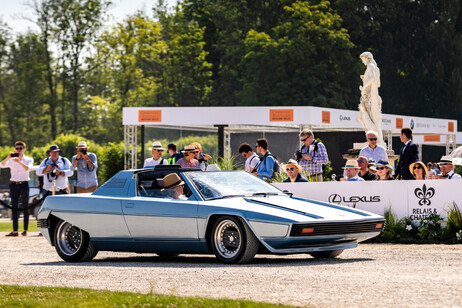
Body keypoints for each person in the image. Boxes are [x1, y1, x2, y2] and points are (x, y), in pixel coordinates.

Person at [1, 141, 34, 237]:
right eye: (17, 148)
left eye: (20, 148)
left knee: (25, 207)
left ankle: (25, 230)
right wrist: (8, 157)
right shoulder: (11, 160)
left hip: (24, 184)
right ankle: (15, 230)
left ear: (24, 149)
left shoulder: (28, 159)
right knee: (14, 207)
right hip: (14, 185)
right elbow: (2, 165)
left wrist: (19, 161)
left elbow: (28, 168)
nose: (18, 150)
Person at [358, 51, 384, 144]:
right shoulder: (376, 68)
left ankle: (372, 135)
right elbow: (378, 83)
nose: (363, 62)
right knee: (371, 117)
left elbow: (373, 79)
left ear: (367, 58)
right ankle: (374, 136)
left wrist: (364, 87)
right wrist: (365, 78)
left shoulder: (370, 66)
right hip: (372, 95)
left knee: (363, 117)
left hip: (370, 96)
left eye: (363, 59)